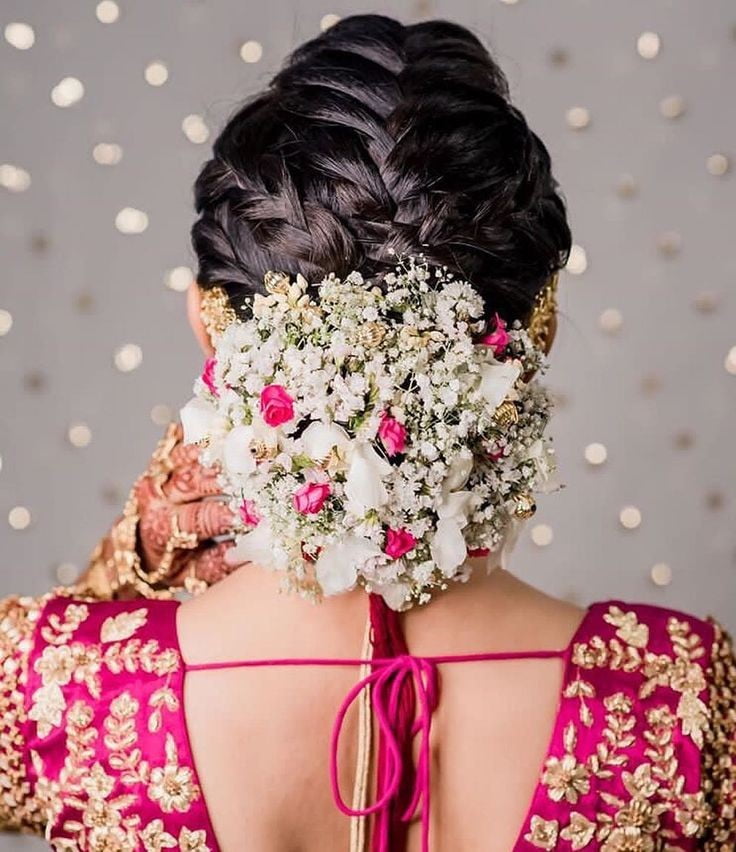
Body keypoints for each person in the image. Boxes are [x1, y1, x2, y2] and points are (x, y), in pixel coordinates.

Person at [1, 14, 734, 852]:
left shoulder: (65, 682)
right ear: (540, 328)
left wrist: (133, 555)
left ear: (212, 328)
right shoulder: (679, 699)